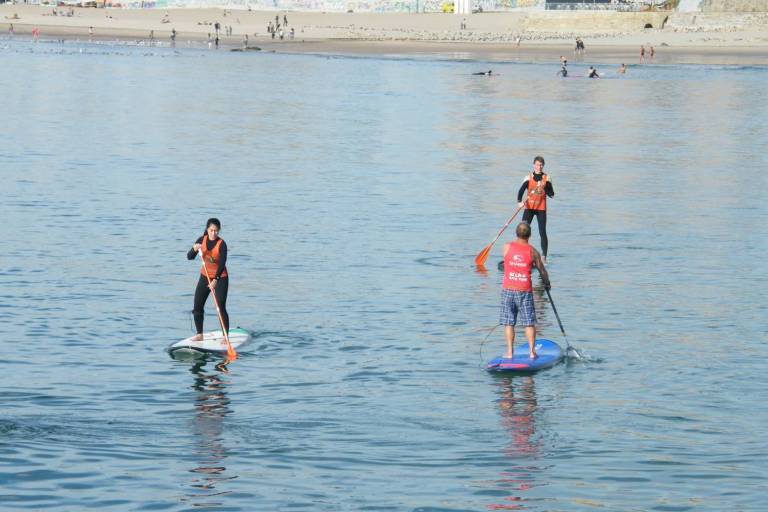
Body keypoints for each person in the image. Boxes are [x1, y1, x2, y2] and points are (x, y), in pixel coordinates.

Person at [500, 222, 551, 359]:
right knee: (529, 322)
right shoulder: (533, 252)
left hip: (508, 289)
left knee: (509, 322)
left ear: (516, 234)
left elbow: (505, 261)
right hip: (524, 290)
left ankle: (510, 352)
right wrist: (547, 283)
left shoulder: (506, 247)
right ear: (529, 235)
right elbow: (542, 270)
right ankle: (532, 352)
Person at [187, 218, 230, 342]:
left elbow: (222, 263)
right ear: (207, 229)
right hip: (205, 276)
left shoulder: (222, 244)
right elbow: (189, 257)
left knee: (220, 306)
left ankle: (225, 336)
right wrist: (194, 249)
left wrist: (216, 279)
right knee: (197, 306)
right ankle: (200, 334)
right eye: (212, 230)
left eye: (216, 231)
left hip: (220, 277)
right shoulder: (201, 240)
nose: (214, 233)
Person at [516, 156, 555, 263]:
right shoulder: (528, 177)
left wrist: (544, 186)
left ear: (543, 166)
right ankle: (521, 254)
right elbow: (520, 191)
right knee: (522, 231)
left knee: (542, 232)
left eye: (541, 165)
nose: (540, 167)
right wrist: (519, 202)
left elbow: (552, 194)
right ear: (534, 165)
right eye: (538, 164)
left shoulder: (547, 178)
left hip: (541, 208)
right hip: (529, 208)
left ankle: (543, 257)